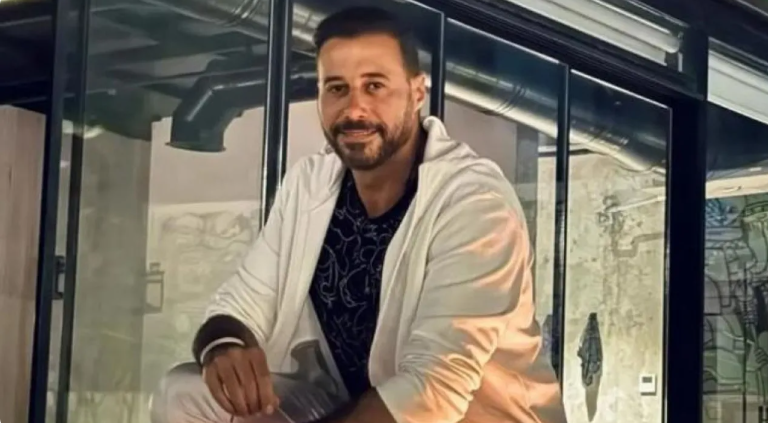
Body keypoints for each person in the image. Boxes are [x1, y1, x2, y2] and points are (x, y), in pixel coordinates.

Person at [150, 6, 566, 423]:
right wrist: (223, 347)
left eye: (375, 86)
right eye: (337, 88)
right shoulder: (310, 183)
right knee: (185, 392)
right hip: (349, 405)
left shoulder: (474, 202)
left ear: (417, 92)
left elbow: (433, 390)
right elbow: (239, 305)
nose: (354, 109)